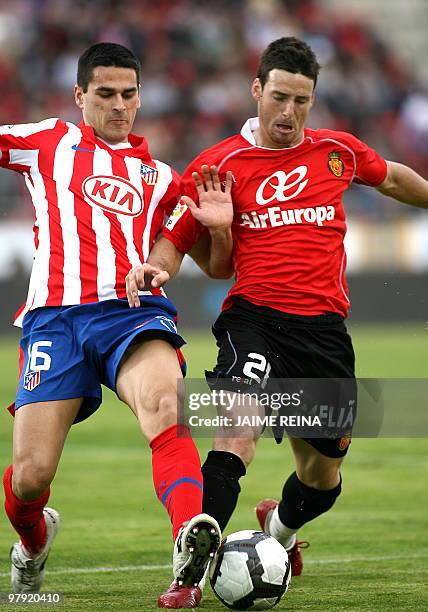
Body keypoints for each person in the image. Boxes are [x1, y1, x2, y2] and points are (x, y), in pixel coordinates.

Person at [126, 35, 428, 585]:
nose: (288, 113)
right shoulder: (218, 165)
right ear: (256, 89)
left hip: (325, 332)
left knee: (322, 480)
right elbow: (176, 233)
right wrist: (158, 266)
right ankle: (188, 576)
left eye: (302, 101)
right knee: (235, 433)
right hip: (254, 321)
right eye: (279, 98)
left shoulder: (336, 151)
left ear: (312, 101)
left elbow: (393, 176)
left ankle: (280, 529)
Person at [1, 42, 225, 609]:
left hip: (132, 315)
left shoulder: (163, 178)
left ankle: (187, 543)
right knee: (30, 476)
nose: (119, 105)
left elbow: (173, 247)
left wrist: (158, 267)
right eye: (105, 94)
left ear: (140, 96)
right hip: (54, 322)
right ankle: (33, 538)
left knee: (165, 405)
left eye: (129, 94)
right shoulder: (47, 140)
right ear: (80, 96)